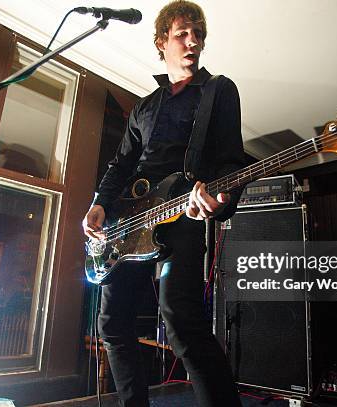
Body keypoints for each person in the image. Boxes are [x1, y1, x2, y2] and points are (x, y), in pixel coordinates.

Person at [82, 1, 244, 406]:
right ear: (162, 42)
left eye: (199, 35)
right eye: (182, 34)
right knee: (112, 324)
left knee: (180, 319)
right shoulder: (144, 106)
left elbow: (231, 161)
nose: (194, 42)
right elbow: (121, 163)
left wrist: (217, 202)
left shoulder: (218, 90)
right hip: (131, 221)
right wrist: (100, 203)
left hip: (183, 213)